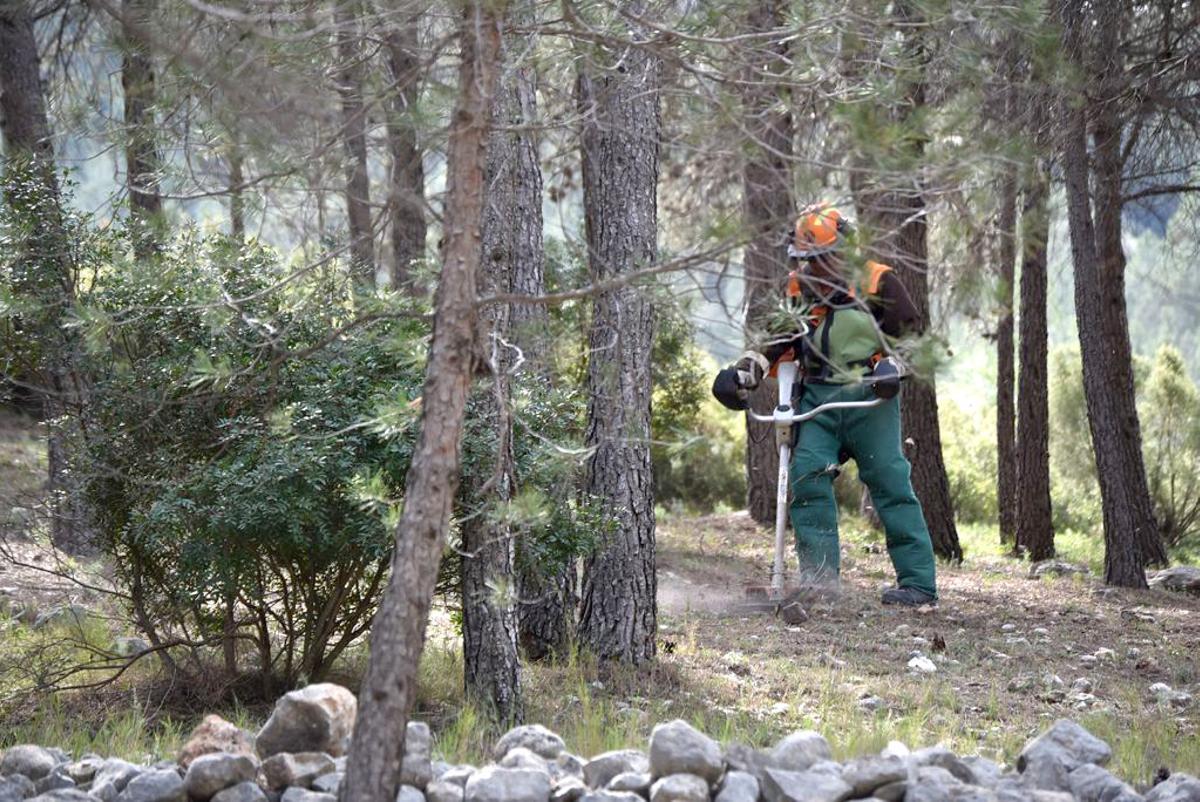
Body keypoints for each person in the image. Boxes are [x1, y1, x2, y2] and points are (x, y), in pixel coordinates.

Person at [712, 203, 937, 606]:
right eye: (805, 261)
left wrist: (893, 367)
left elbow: (915, 340)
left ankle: (918, 583)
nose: (812, 269)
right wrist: (740, 375)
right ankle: (820, 582)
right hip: (818, 400)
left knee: (889, 481)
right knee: (806, 475)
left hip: (871, 396)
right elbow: (774, 345)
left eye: (819, 260)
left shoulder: (878, 283)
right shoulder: (797, 291)